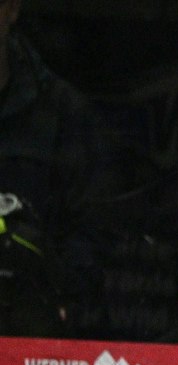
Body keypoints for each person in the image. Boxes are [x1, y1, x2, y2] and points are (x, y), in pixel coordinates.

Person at [0, 0, 112, 336]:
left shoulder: (63, 113)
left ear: (11, 10)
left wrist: (62, 298)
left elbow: (95, 227)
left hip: (32, 333)